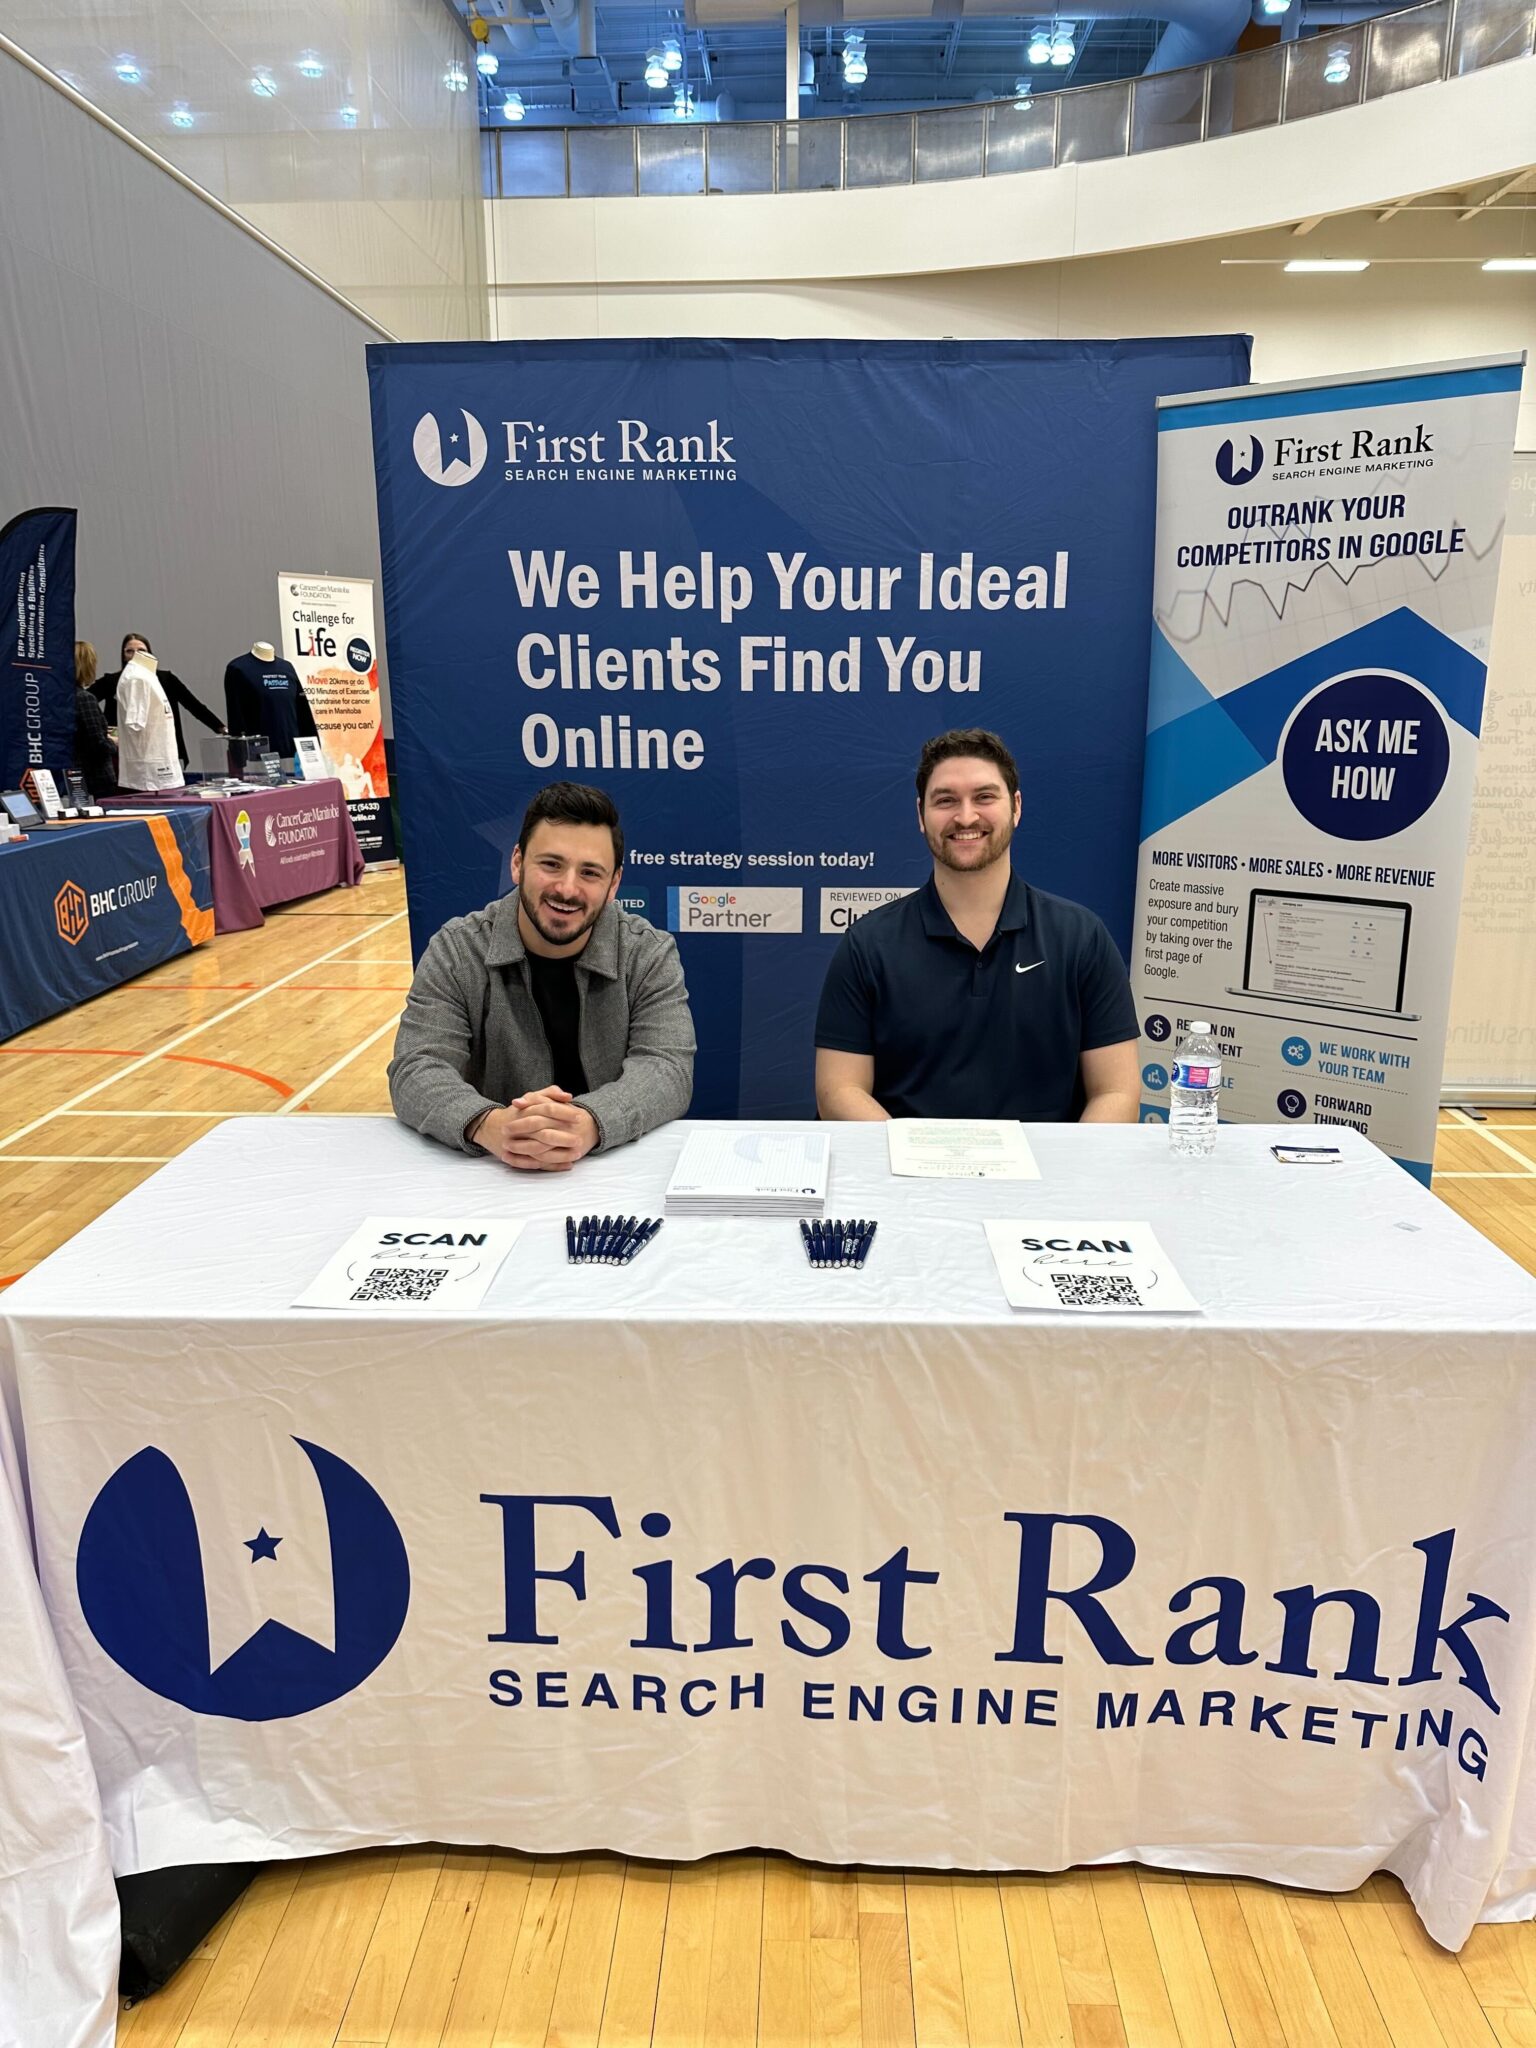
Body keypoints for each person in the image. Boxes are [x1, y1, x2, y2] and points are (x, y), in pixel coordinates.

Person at [815, 728, 1140, 1123]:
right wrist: (917, 1168)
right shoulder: (868, 945)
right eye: (946, 800)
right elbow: (838, 1092)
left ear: (1016, 807)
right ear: (921, 815)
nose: (966, 816)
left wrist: (1060, 1181)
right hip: (907, 1178)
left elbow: (1117, 1093)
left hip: (1046, 1181)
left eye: (984, 797)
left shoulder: (1082, 938)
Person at [390, 781, 695, 1168]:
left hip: (610, 1168)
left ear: (614, 884)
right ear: (517, 862)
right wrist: (489, 1124)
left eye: (590, 873)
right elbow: (416, 1066)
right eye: (551, 864)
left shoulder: (647, 952)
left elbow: (667, 1068)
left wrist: (589, 1122)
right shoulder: (456, 949)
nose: (567, 888)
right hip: (493, 1173)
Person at [94, 633, 226, 768]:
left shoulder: (166, 679)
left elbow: (194, 706)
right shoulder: (112, 681)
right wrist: (103, 731)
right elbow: (84, 700)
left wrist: (221, 728)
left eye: (141, 651)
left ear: (149, 653)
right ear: (123, 655)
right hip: (125, 750)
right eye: (129, 651)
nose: (135, 655)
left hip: (161, 748)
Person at [72, 641, 116, 798]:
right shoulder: (85, 699)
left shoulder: (61, 697)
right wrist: (115, 743)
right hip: (97, 778)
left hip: (76, 776)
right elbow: (98, 744)